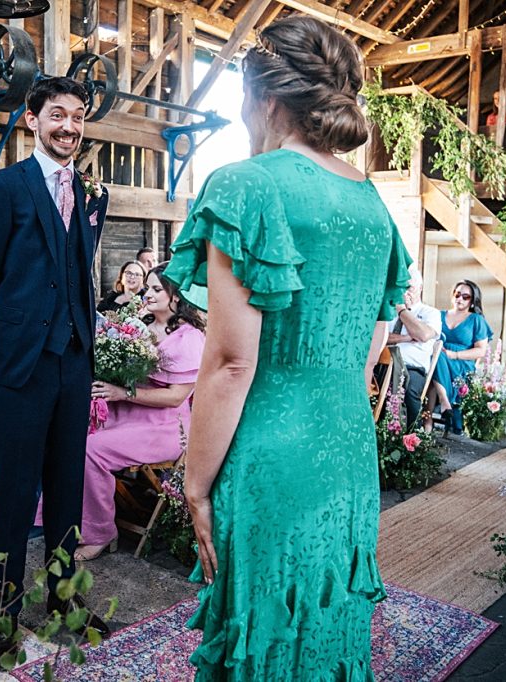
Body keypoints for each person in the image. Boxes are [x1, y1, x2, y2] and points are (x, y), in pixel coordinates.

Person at [163, 16, 412, 679]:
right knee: (326, 624)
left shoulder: (248, 185)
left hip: (272, 451)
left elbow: (231, 362)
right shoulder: (372, 204)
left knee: (265, 633)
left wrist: (193, 484)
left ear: (264, 97)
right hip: (348, 452)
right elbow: (369, 352)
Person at [0, 76, 111, 660]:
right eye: (58, 115)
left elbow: (80, 274)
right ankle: (5, 613)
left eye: (77, 117)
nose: (69, 127)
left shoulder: (91, 193)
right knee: (15, 497)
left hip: (74, 365)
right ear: (32, 119)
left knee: (66, 492)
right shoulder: (4, 188)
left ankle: (64, 599)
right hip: (23, 368)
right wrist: (9, 350)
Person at [78, 266, 205, 560]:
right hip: (129, 412)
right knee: (70, 431)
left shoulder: (190, 338)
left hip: (167, 426)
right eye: (148, 288)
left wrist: (124, 392)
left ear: (176, 296)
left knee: (91, 448)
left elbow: (176, 397)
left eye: (157, 289)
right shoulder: (137, 326)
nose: (148, 294)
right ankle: (68, 520)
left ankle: (100, 532)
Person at [428, 280, 492, 434]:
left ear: (472, 300)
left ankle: (430, 416)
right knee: (436, 356)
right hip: (437, 358)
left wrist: (454, 354)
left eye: (465, 296)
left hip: (462, 363)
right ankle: (443, 404)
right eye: (457, 294)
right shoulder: (439, 315)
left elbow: (481, 351)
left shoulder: (476, 320)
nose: (460, 299)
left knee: (437, 358)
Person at [386, 268, 441, 428]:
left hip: (412, 368)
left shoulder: (430, 313)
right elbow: (381, 338)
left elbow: (423, 334)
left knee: (409, 391)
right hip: (384, 364)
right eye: (402, 288)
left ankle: (411, 437)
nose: (405, 293)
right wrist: (406, 337)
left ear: (421, 288)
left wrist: (402, 310)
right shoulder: (389, 312)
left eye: (410, 288)